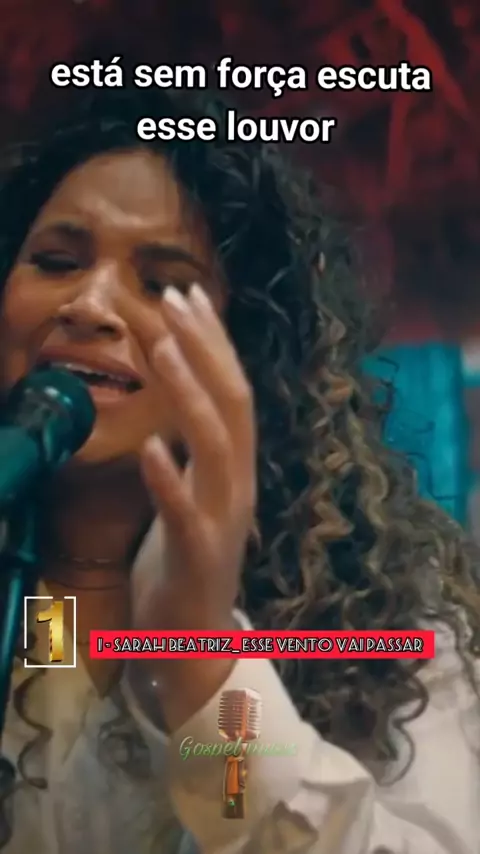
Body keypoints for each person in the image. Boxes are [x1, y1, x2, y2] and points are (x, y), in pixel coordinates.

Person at [0, 86, 477, 854]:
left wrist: (201, 657)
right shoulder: (32, 607)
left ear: (247, 352)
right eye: (57, 262)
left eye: (162, 283)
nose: (89, 305)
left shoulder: (377, 623)